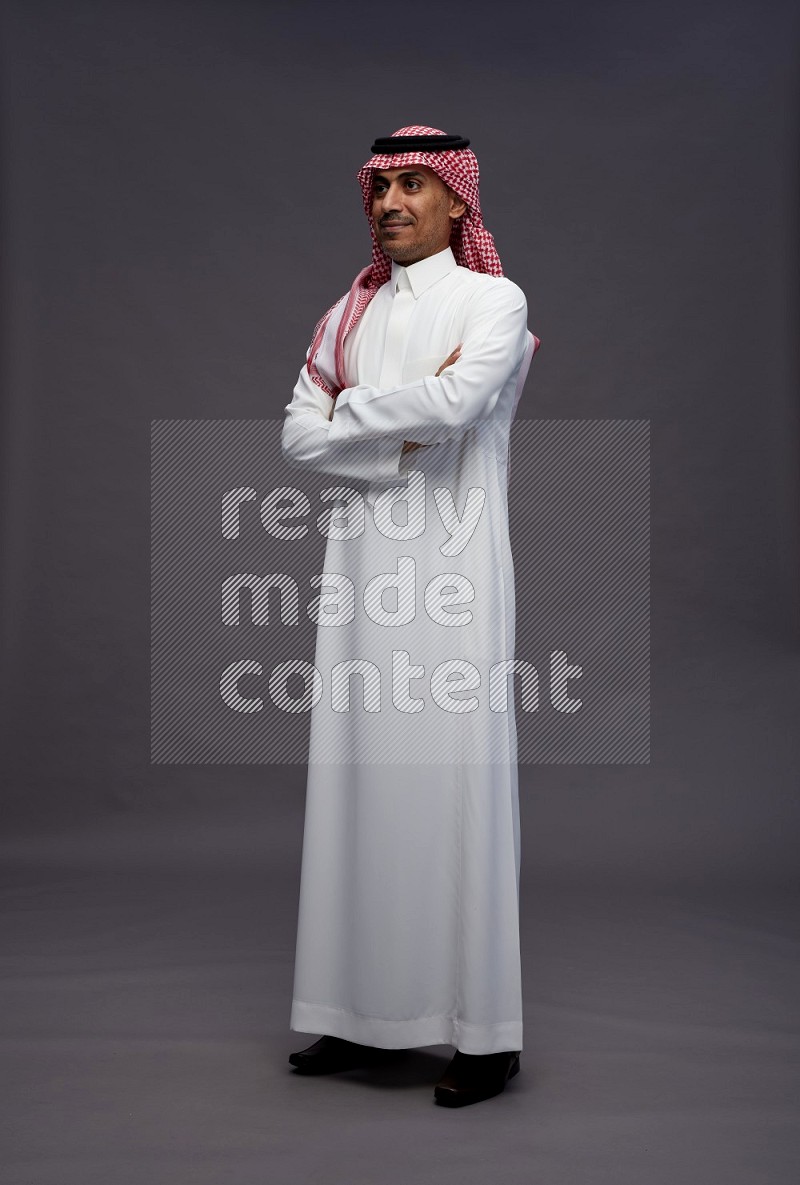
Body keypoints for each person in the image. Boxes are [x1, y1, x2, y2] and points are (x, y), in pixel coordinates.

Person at [280, 125, 540, 1107]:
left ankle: (483, 1036)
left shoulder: (493, 300)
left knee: (451, 792)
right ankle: (356, 1019)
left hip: (452, 578)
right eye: (378, 185)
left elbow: (462, 404)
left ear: (456, 203)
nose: (388, 203)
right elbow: (294, 440)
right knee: (355, 786)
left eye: (411, 186)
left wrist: (353, 415)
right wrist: (393, 426)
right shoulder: (345, 312)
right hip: (355, 582)